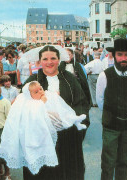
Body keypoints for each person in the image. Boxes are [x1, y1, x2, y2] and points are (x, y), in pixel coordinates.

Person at [22, 45, 90, 179]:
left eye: (53, 58)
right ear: (40, 61)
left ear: (59, 60)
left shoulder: (70, 80)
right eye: (45, 59)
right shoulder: (32, 82)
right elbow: (23, 107)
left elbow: (82, 104)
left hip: (67, 139)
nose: (49, 62)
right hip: (42, 140)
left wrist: (74, 127)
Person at [0, 81, 86, 175]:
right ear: (29, 95)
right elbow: (34, 113)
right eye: (36, 92)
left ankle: (76, 120)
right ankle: (74, 120)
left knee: (62, 112)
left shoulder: (42, 96)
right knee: (58, 117)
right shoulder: (29, 103)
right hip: (38, 130)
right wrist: (43, 101)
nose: (40, 92)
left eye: (41, 88)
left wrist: (54, 95)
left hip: (52, 119)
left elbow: (53, 98)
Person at [96, 39, 127, 180]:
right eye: (120, 54)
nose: (123, 58)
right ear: (114, 55)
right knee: (108, 163)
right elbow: (100, 100)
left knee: (125, 162)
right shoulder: (105, 75)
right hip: (111, 126)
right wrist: (112, 115)